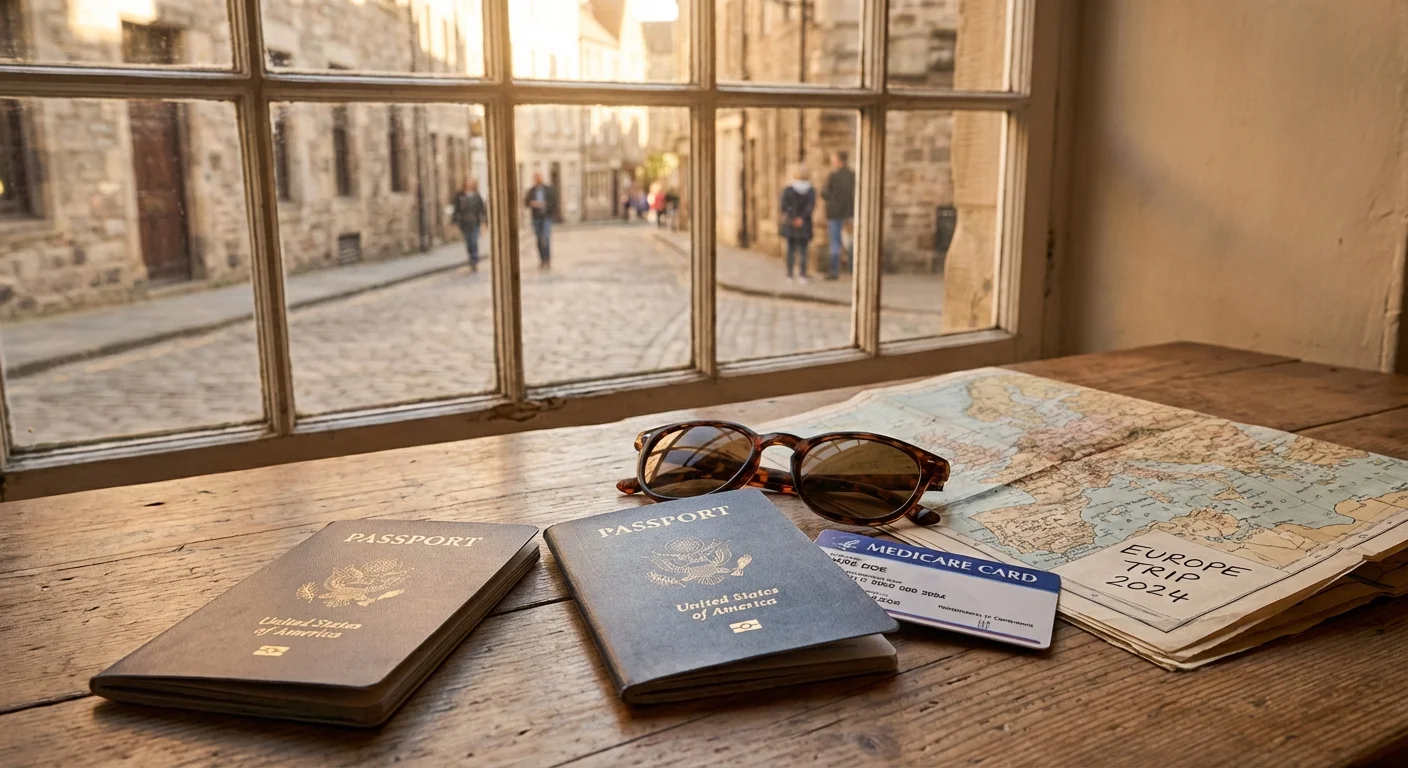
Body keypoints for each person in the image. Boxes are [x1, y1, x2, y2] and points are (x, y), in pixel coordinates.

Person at [779, 164, 816, 283]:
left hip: (791, 224)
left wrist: (792, 217)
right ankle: (802, 275)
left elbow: (784, 206)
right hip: (804, 224)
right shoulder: (810, 190)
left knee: (790, 250)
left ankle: (789, 275)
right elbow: (810, 206)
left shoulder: (788, 189)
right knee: (803, 250)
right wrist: (801, 218)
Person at [822, 150, 855, 280]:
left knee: (835, 242)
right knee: (850, 242)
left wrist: (832, 198)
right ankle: (852, 269)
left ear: (839, 161)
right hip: (849, 212)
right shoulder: (852, 175)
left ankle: (834, 271)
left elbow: (825, 193)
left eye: (834, 159)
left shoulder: (833, 176)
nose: (832, 162)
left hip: (835, 213)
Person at [450, 178, 488, 271]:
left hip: (475, 222)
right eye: (468, 182)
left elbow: (482, 210)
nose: (469, 184)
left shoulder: (477, 196)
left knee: (474, 241)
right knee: (468, 242)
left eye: (471, 183)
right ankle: (471, 258)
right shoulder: (460, 196)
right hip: (464, 223)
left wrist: (484, 222)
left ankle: (474, 260)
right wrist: (454, 222)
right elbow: (456, 209)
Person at [523, 172, 557, 268]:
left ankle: (547, 259)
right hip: (536, 218)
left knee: (545, 238)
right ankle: (542, 260)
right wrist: (532, 203)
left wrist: (545, 204)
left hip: (546, 217)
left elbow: (554, 201)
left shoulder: (547, 190)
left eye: (538, 178)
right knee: (538, 239)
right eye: (535, 179)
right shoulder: (531, 191)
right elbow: (526, 203)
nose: (537, 181)